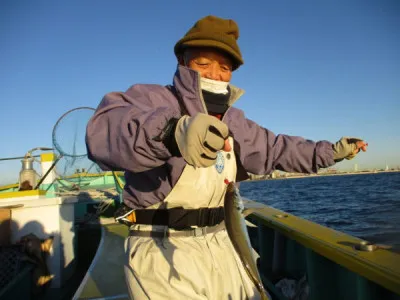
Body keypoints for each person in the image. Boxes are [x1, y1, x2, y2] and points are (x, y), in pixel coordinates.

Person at [86, 15, 367, 300]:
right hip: (162, 248)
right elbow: (104, 133)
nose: (214, 74)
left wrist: (331, 152)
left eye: (224, 67)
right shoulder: (150, 99)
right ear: (183, 62)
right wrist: (171, 133)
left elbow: (277, 148)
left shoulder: (235, 120)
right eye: (203, 63)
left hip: (226, 243)